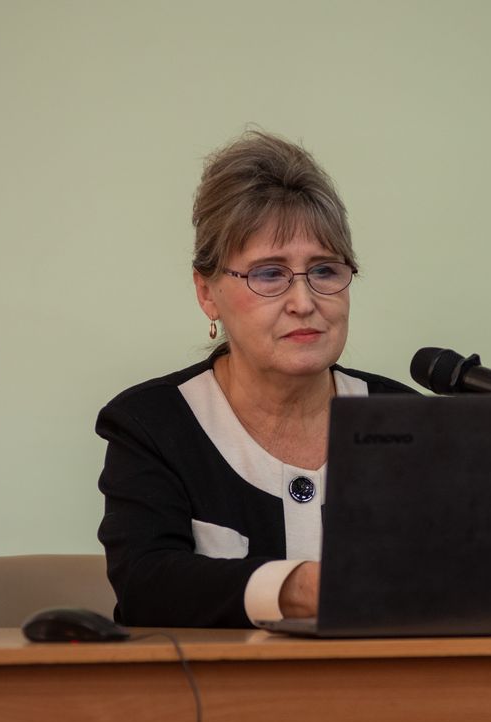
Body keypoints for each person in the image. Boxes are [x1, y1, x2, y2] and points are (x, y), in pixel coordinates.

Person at [96, 130, 414, 628]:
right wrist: (301, 588)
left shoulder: (404, 419)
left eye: (324, 271)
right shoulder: (153, 424)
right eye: (269, 274)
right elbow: (146, 586)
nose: (304, 302)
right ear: (207, 293)